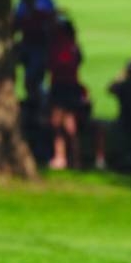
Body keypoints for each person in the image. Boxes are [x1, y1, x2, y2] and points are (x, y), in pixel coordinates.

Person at [47, 19, 84, 169]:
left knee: (62, 124)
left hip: (62, 86)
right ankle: (67, 157)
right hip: (69, 86)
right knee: (64, 124)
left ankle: (64, 157)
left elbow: (53, 65)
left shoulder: (61, 45)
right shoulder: (73, 45)